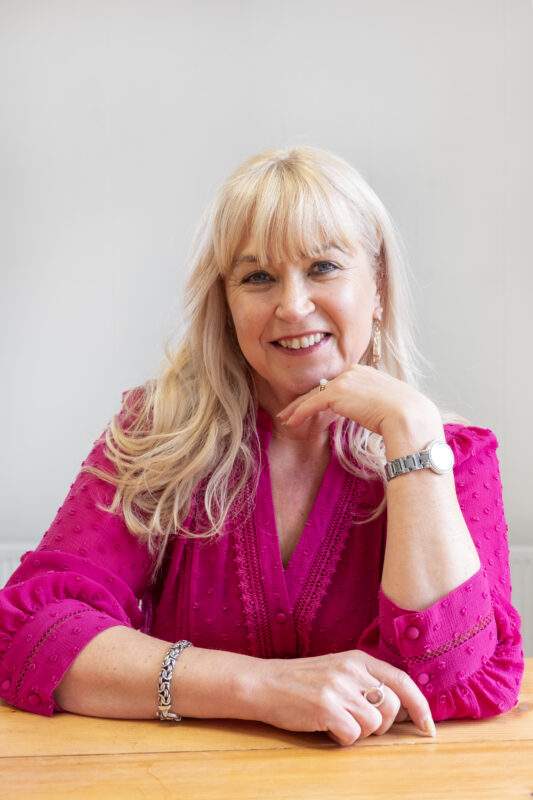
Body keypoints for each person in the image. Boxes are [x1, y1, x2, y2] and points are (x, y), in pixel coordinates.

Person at [0, 145, 524, 747]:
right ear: (227, 303)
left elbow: (459, 678)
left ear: (378, 286)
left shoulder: (451, 456)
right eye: (258, 278)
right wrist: (261, 687)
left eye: (323, 267)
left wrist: (411, 431)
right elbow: (31, 634)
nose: (293, 306)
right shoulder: (158, 436)